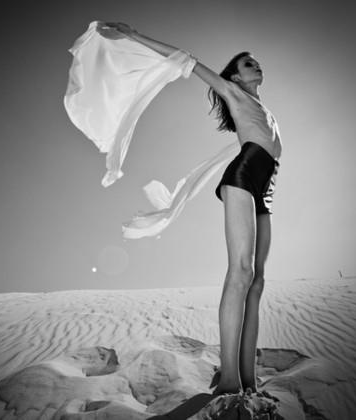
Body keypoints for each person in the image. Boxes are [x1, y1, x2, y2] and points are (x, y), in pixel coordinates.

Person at [99, 22, 282, 397]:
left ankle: (248, 378)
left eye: (256, 61)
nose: (256, 65)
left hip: (268, 184)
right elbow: (186, 60)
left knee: (257, 280)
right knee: (241, 271)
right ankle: (229, 377)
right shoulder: (232, 91)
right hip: (244, 175)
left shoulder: (265, 108)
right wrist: (132, 35)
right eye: (248, 63)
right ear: (235, 76)